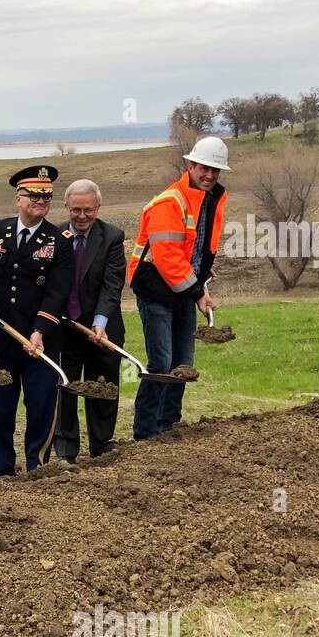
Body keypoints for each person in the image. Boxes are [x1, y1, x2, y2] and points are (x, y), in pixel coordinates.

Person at [0, 166, 73, 477]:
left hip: (40, 340)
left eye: (46, 196)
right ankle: (0, 466)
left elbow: (57, 293)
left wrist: (40, 331)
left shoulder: (59, 241)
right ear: (18, 198)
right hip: (0, 336)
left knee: (40, 405)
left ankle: (37, 465)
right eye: (34, 195)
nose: (40, 200)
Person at [127, 136, 228, 440]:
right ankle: (146, 433)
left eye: (215, 170)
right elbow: (167, 256)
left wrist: (200, 267)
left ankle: (169, 427)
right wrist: (198, 292)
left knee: (183, 363)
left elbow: (190, 245)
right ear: (191, 165)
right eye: (204, 168)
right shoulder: (170, 202)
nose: (209, 175)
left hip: (183, 287)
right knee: (161, 362)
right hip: (156, 289)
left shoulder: (209, 200)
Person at [41, 179, 126, 463]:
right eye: (75, 210)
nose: (81, 216)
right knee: (65, 386)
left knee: (102, 384)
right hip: (63, 328)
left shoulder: (112, 237)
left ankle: (102, 445)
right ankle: (66, 450)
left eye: (88, 210)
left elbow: (112, 285)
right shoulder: (53, 237)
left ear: (98, 207)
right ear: (66, 207)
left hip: (101, 328)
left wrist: (100, 322)